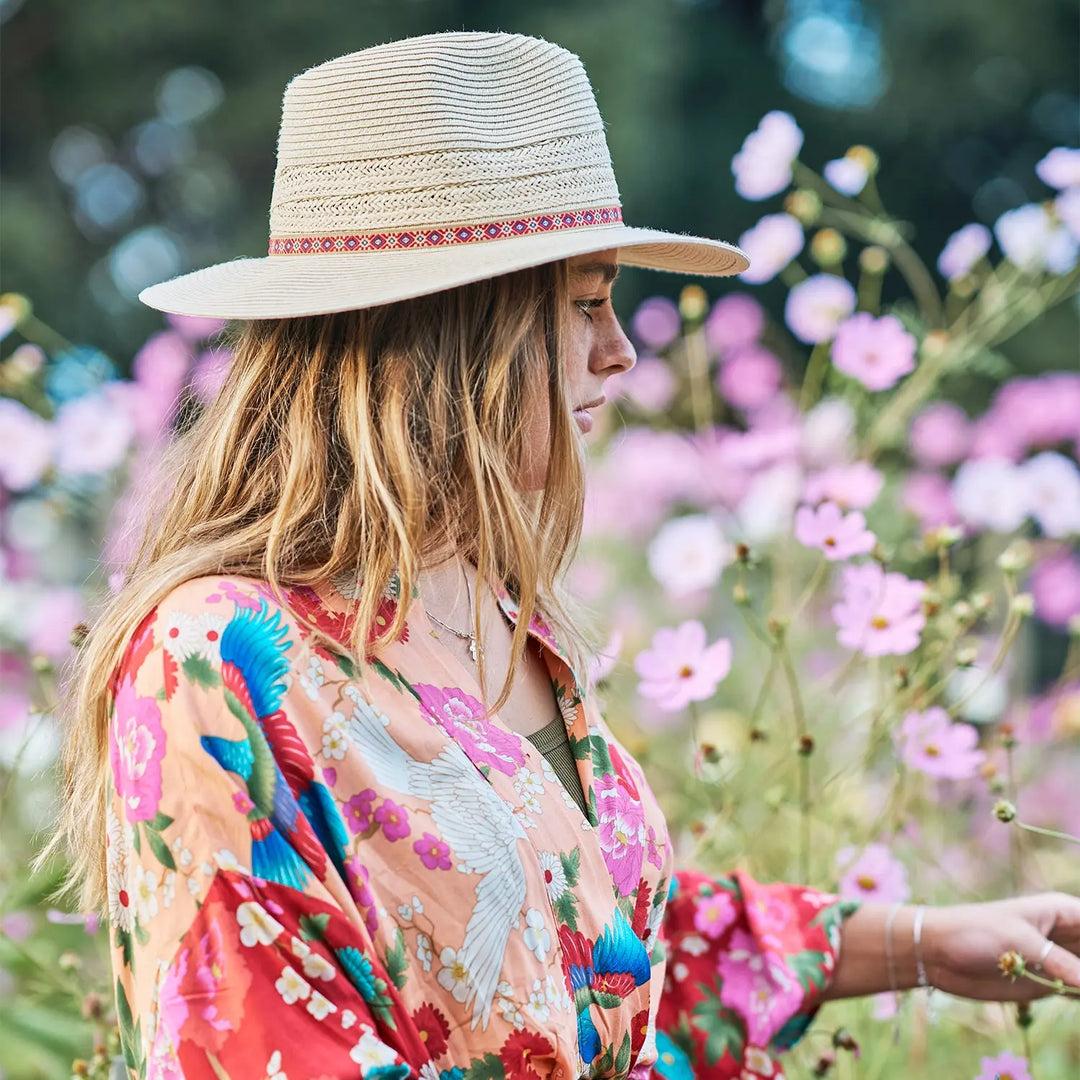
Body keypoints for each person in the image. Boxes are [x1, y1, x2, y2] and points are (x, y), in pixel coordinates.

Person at [49, 30, 1079, 1080]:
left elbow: (589, 960)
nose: (621, 351)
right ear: (446, 331)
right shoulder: (219, 658)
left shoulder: (496, 612)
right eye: (584, 302)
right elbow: (255, 1044)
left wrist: (916, 943)